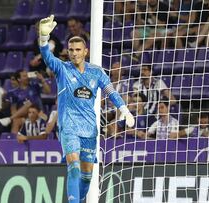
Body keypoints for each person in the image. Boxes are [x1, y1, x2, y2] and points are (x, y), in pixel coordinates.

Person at [38, 15, 134, 202]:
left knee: (87, 174)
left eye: (78, 50)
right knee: (73, 166)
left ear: (85, 51)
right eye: (71, 50)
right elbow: (48, 57)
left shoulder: (96, 72)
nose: (74, 53)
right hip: (69, 126)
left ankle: (79, 200)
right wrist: (43, 38)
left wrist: (124, 109)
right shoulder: (62, 69)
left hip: (89, 128)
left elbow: (111, 92)